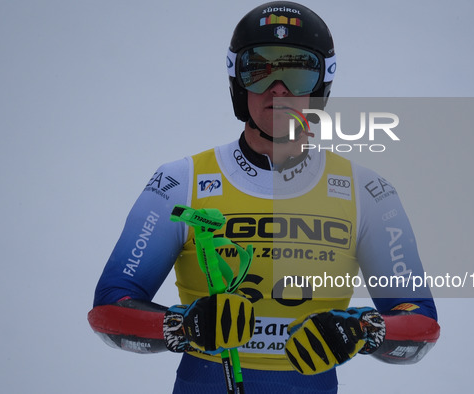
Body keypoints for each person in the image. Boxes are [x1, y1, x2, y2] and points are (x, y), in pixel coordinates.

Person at [88, 2, 440, 393]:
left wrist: (360, 329)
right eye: (258, 68)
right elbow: (110, 308)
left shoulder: (369, 192)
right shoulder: (179, 181)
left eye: (297, 70)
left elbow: (420, 323)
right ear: (237, 83)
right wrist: (184, 326)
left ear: (322, 87)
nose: (278, 89)